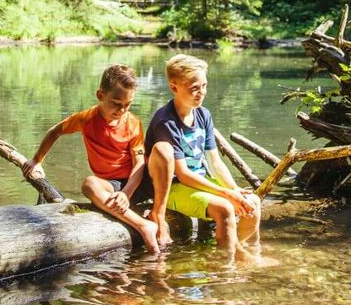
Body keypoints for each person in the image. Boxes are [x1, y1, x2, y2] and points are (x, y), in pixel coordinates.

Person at [22, 64, 159, 253]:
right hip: (112, 184)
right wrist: (37, 160)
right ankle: (143, 225)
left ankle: (156, 216)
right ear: (100, 96)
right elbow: (54, 132)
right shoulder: (86, 119)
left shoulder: (133, 124)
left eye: (128, 105)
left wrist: (126, 194)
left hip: (137, 181)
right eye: (117, 103)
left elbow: (139, 164)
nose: (122, 110)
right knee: (89, 184)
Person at [145, 53, 261, 257]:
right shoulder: (166, 122)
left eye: (204, 86)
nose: (202, 93)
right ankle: (227, 264)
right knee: (225, 208)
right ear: (174, 87)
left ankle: (246, 251)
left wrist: (234, 189)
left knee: (253, 202)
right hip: (174, 187)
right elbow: (182, 175)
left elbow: (215, 162)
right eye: (194, 88)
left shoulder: (203, 115)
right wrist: (226, 195)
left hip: (199, 180)